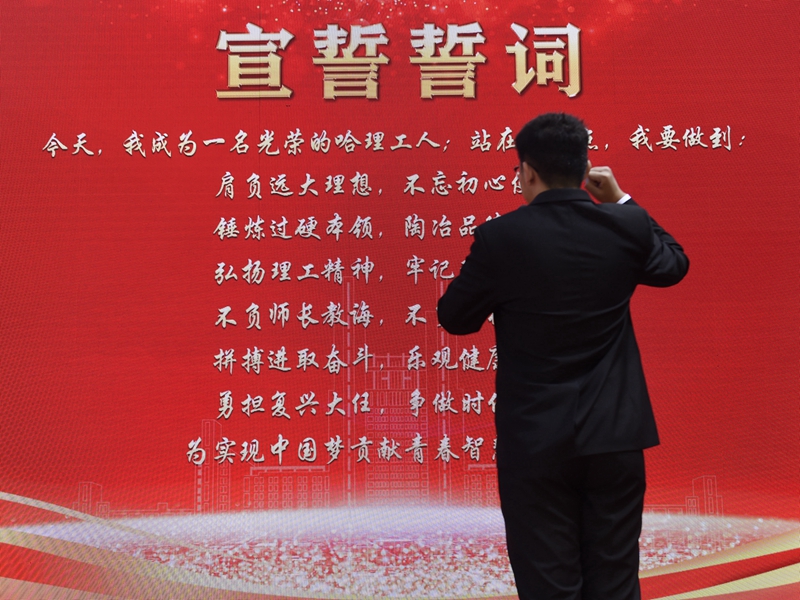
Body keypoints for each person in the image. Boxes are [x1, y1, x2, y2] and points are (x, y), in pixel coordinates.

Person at [437, 113, 689, 600]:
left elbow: (455, 318)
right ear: (585, 169)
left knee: (549, 584)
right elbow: (673, 265)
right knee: (616, 581)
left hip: (536, 441)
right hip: (615, 436)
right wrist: (619, 199)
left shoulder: (500, 237)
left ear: (527, 171)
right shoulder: (626, 224)